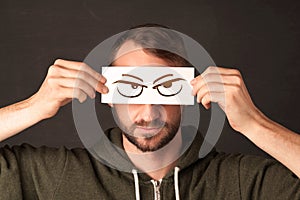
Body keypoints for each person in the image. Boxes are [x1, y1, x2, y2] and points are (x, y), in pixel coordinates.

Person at [0, 24, 299, 200]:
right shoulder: (58, 176)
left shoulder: (241, 182)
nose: (148, 112)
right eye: (129, 88)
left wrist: (255, 124)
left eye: (167, 87)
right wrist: (33, 108)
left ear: (191, 92)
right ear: (108, 92)